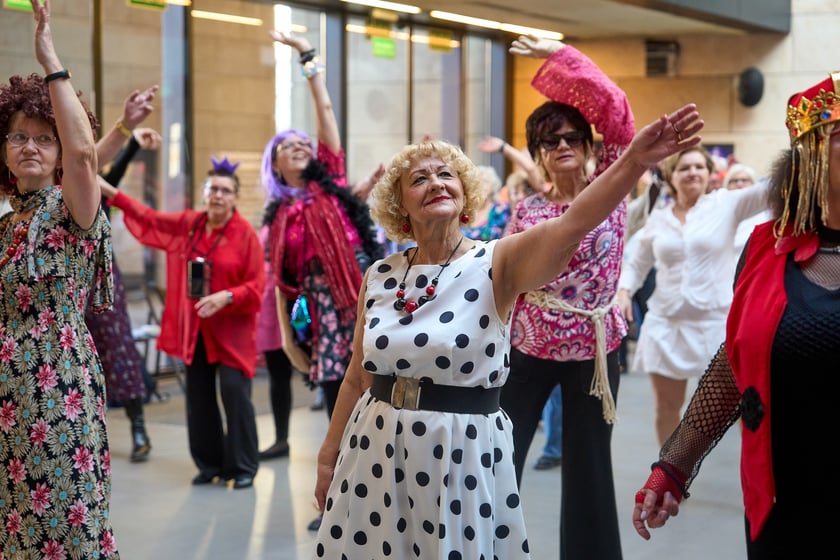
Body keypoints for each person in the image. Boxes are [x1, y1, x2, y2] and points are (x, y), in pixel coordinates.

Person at [311, 103, 704, 558]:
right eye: (419, 179)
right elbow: (358, 375)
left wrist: (633, 161)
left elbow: (574, 221)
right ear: (400, 206)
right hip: (374, 443)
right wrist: (327, 456)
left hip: (456, 454)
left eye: (446, 174)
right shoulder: (379, 275)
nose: (436, 182)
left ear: (464, 193)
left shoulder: (495, 262)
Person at [633, 71, 840, 560]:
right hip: (784, 497)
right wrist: (675, 464)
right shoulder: (767, 248)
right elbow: (737, 359)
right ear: (808, 156)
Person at [498, 35, 634, 560]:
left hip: (593, 354)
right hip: (528, 349)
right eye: (551, 140)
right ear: (538, 152)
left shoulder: (613, 188)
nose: (563, 147)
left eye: (574, 137)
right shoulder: (526, 210)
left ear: (591, 146)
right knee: (496, 457)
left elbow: (619, 113)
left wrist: (560, 55)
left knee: (590, 470)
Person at [0, 0, 119, 556]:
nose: (30, 146)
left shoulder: (72, 208)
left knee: (67, 522)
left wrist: (49, 58)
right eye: (20, 136)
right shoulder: (9, 224)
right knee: (16, 525)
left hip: (59, 388)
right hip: (8, 395)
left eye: (42, 139)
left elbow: (84, 157)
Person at [256, 30, 383, 470]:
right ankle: (343, 485)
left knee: (375, 381)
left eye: (304, 144)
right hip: (318, 306)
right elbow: (282, 277)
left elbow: (326, 113)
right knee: (336, 389)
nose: (302, 147)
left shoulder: (328, 181)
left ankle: (377, 474)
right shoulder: (280, 214)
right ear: (275, 163)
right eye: (290, 145)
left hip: (357, 291)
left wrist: (306, 59)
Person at [100, 156, 265, 490]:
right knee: (199, 398)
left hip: (232, 332)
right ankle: (209, 465)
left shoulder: (244, 234)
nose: (218, 195)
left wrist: (227, 296)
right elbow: (151, 219)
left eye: (225, 191)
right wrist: (111, 193)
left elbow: (257, 284)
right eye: (213, 189)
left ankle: (243, 466)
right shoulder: (192, 223)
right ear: (204, 192)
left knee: (235, 394)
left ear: (234, 197)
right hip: (196, 330)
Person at [617, 146, 769, 447]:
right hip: (666, 326)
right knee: (666, 407)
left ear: (711, 173)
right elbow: (637, 262)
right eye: (685, 168)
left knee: (741, 407)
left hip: (717, 325)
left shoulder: (726, 204)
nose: (693, 173)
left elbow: (772, 189)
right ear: (671, 175)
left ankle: (757, 481)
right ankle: (668, 481)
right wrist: (624, 292)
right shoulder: (659, 219)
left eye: (700, 167)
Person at [88, 85, 161, 463]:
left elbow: (110, 177)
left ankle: (137, 426)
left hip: (103, 277)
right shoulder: (53, 189)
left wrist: (131, 137)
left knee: (118, 350)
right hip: (69, 284)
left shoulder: (91, 190)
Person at [724, 162, 771, 259]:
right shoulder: (720, 211)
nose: (739, 184)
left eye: (744, 180)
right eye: (734, 181)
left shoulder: (764, 213)